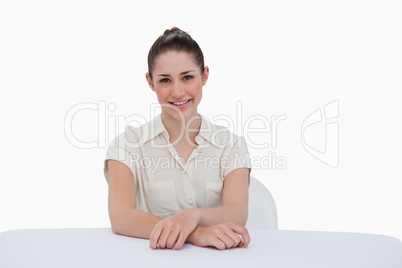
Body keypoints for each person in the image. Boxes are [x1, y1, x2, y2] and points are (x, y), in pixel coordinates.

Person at [103, 27, 252, 250]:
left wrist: (193, 215)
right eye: (165, 80)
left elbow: (237, 212)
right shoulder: (127, 145)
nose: (177, 92)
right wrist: (195, 233)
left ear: (205, 76)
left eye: (187, 77)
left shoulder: (231, 145)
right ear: (150, 82)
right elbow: (121, 217)